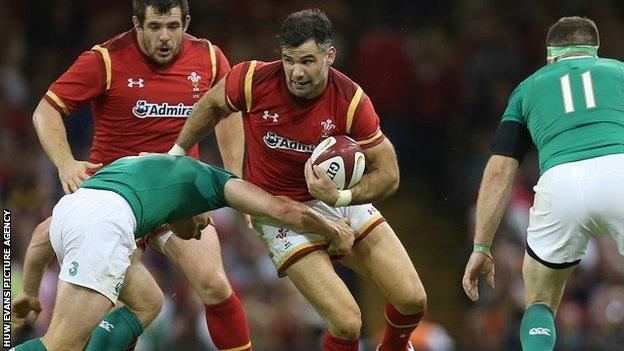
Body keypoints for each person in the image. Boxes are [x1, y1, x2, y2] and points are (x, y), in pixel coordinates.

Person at [170, 9, 427, 351]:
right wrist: (177, 151)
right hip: (280, 214)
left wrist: (342, 197)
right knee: (347, 323)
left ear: (329, 55)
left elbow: (389, 174)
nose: (296, 72)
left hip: (335, 200)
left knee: (413, 299)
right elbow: (213, 104)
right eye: (289, 60)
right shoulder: (253, 79)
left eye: (307, 61)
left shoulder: (350, 101)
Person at [26, 0, 251, 350]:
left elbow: (227, 109)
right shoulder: (105, 59)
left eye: (173, 27)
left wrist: (233, 178)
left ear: (186, 22)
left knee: (215, 283)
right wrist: (66, 162)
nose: (165, 37)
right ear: (137, 24)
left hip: (175, 196)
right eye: (155, 27)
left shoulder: (208, 57)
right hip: (116, 198)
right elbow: (46, 110)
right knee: (119, 308)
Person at [10, 154, 356, 351]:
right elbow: (280, 210)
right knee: (61, 346)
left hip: (72, 209)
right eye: (206, 221)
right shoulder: (213, 183)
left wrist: (29, 293)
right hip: (106, 226)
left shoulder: (133, 167)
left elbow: (43, 234)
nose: (203, 228)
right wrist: (332, 229)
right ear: (199, 203)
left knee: (148, 301)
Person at [462, 16, 624, 351]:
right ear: (594, 52)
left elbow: (499, 171)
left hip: (560, 183)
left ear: (551, 56)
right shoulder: (618, 71)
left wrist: (481, 246)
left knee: (540, 300)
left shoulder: (528, 87)